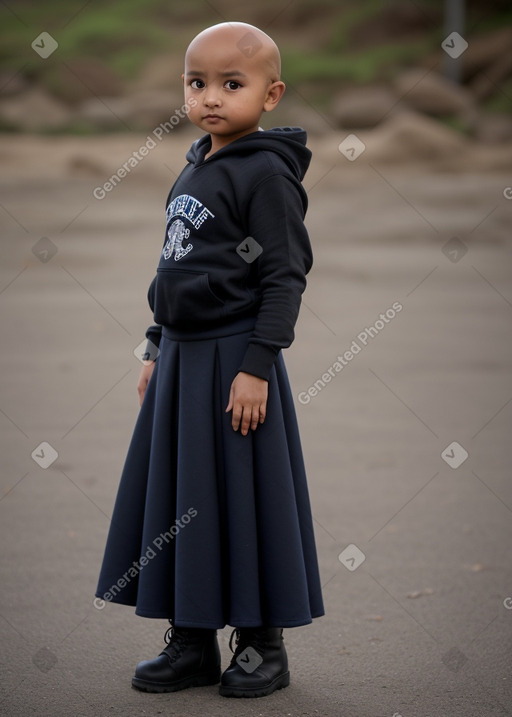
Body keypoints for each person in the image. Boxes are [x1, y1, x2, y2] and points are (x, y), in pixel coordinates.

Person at [95, 20, 324, 699]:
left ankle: (261, 646)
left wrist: (257, 364)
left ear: (272, 94)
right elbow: (179, 265)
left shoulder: (266, 176)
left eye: (233, 83)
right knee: (179, 498)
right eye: (198, 84)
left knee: (242, 498)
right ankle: (191, 639)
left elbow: (284, 278)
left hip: (236, 366)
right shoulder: (197, 163)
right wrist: (156, 342)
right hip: (182, 362)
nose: (212, 97)